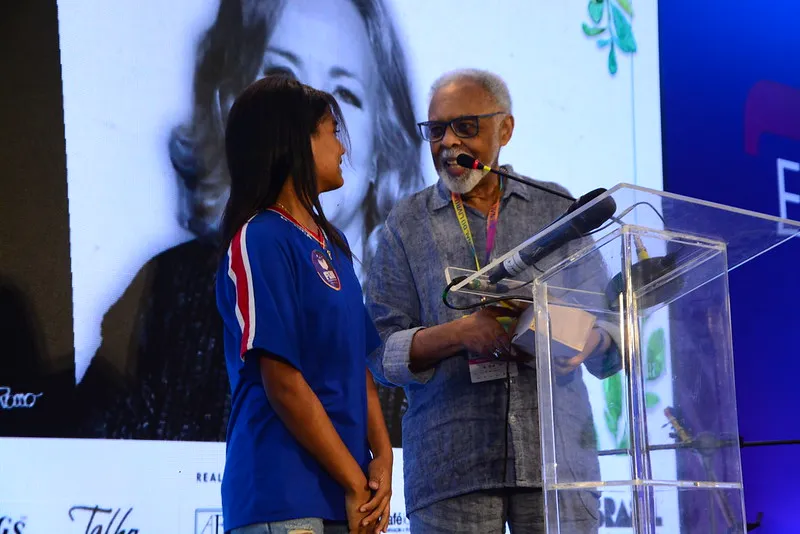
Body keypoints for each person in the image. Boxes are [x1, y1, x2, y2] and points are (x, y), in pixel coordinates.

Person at [74, 0, 419, 444]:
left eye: (345, 95)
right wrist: (354, 480)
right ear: (229, 103)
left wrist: (379, 465)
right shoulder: (171, 288)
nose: (311, 119)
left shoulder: (397, 294)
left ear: (383, 144)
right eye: (283, 78)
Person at [365, 68, 623, 534]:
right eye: (436, 130)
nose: (448, 143)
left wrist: (591, 341)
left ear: (505, 128)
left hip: (557, 461)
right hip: (453, 466)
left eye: (466, 127)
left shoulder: (555, 209)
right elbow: (380, 352)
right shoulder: (407, 223)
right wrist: (459, 333)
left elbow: (609, 325)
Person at [215, 75, 393, 534]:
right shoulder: (260, 237)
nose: (343, 149)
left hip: (347, 495)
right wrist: (356, 481)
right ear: (297, 143)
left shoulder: (331, 245)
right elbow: (283, 383)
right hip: (284, 496)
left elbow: (359, 367)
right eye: (332, 132)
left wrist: (382, 457)